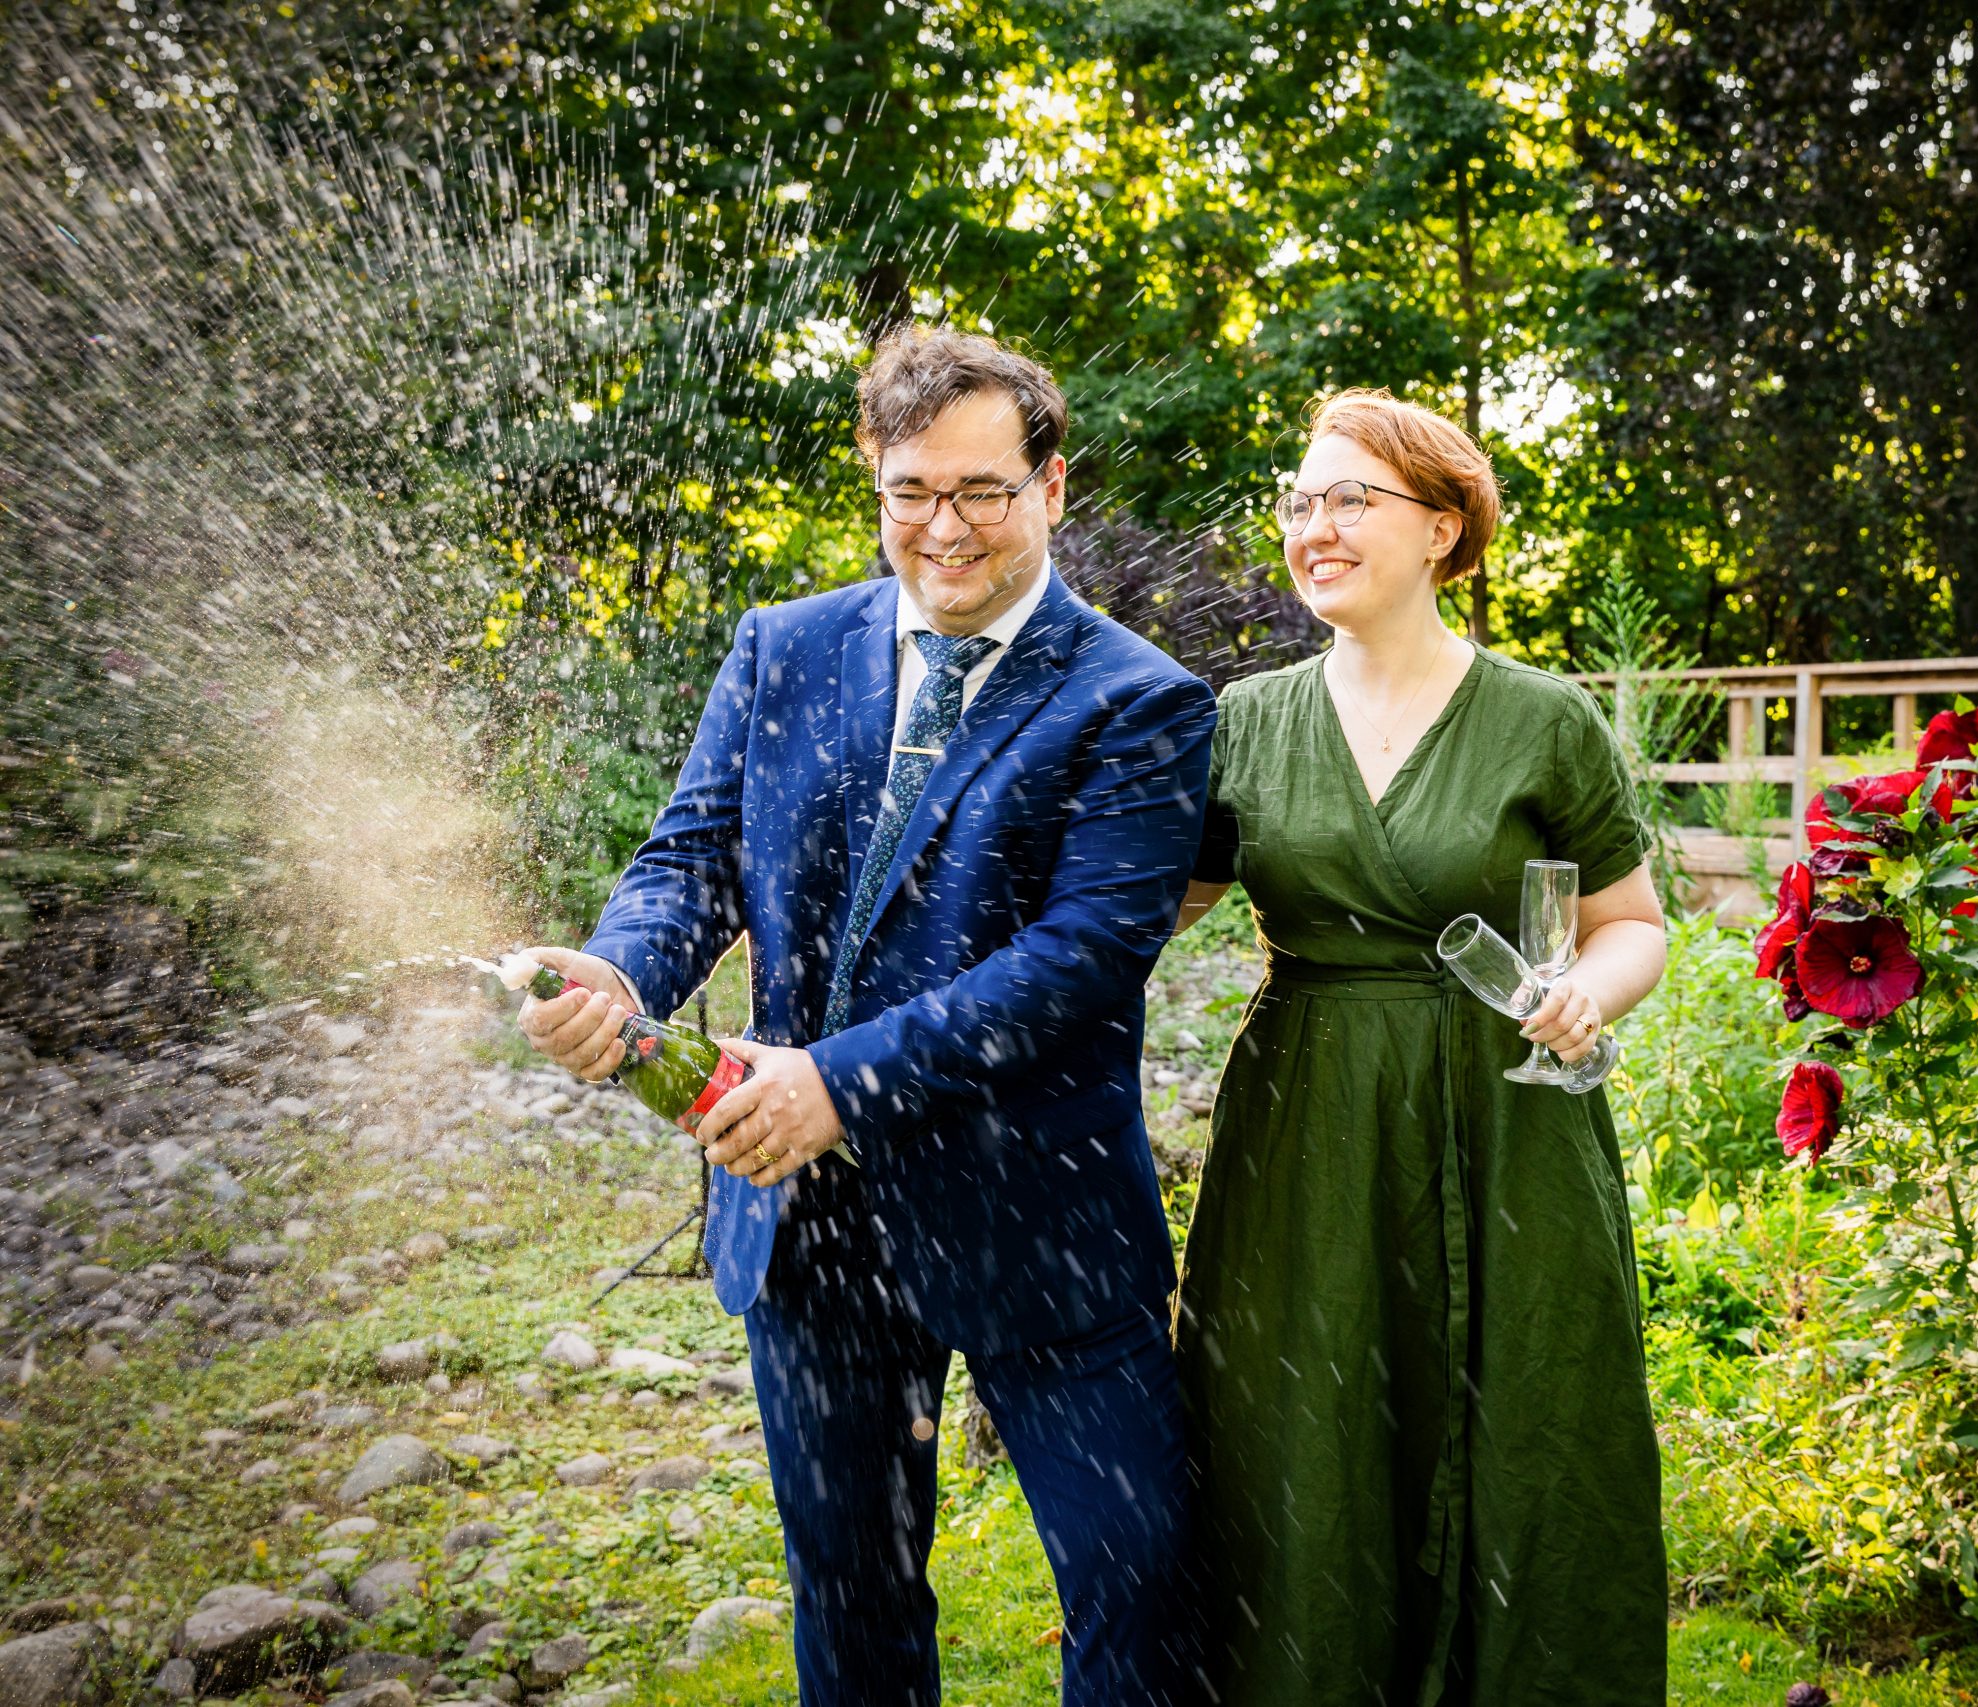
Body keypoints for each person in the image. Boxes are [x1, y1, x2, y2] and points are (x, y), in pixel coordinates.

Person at [511, 327, 1215, 1707]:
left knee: (1137, 1583)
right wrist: (620, 975)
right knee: (851, 1603)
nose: (943, 528)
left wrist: (838, 1079)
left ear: (1051, 489)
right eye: (911, 492)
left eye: (981, 492)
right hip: (808, 1225)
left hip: (1044, 1220)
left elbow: (1077, 961)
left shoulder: (1142, 702)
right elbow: (690, 861)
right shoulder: (782, 649)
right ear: (876, 481)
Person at [1173, 389, 1671, 1704]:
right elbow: (1137, 915)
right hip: (1310, 1118)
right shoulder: (1244, 723)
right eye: (1298, 501)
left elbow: (1632, 926)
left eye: (1350, 499)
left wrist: (1590, 997)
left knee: (1529, 1418)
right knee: (1310, 1429)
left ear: (1444, 529)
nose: (1313, 526)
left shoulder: (1544, 720)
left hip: (1510, 1114)